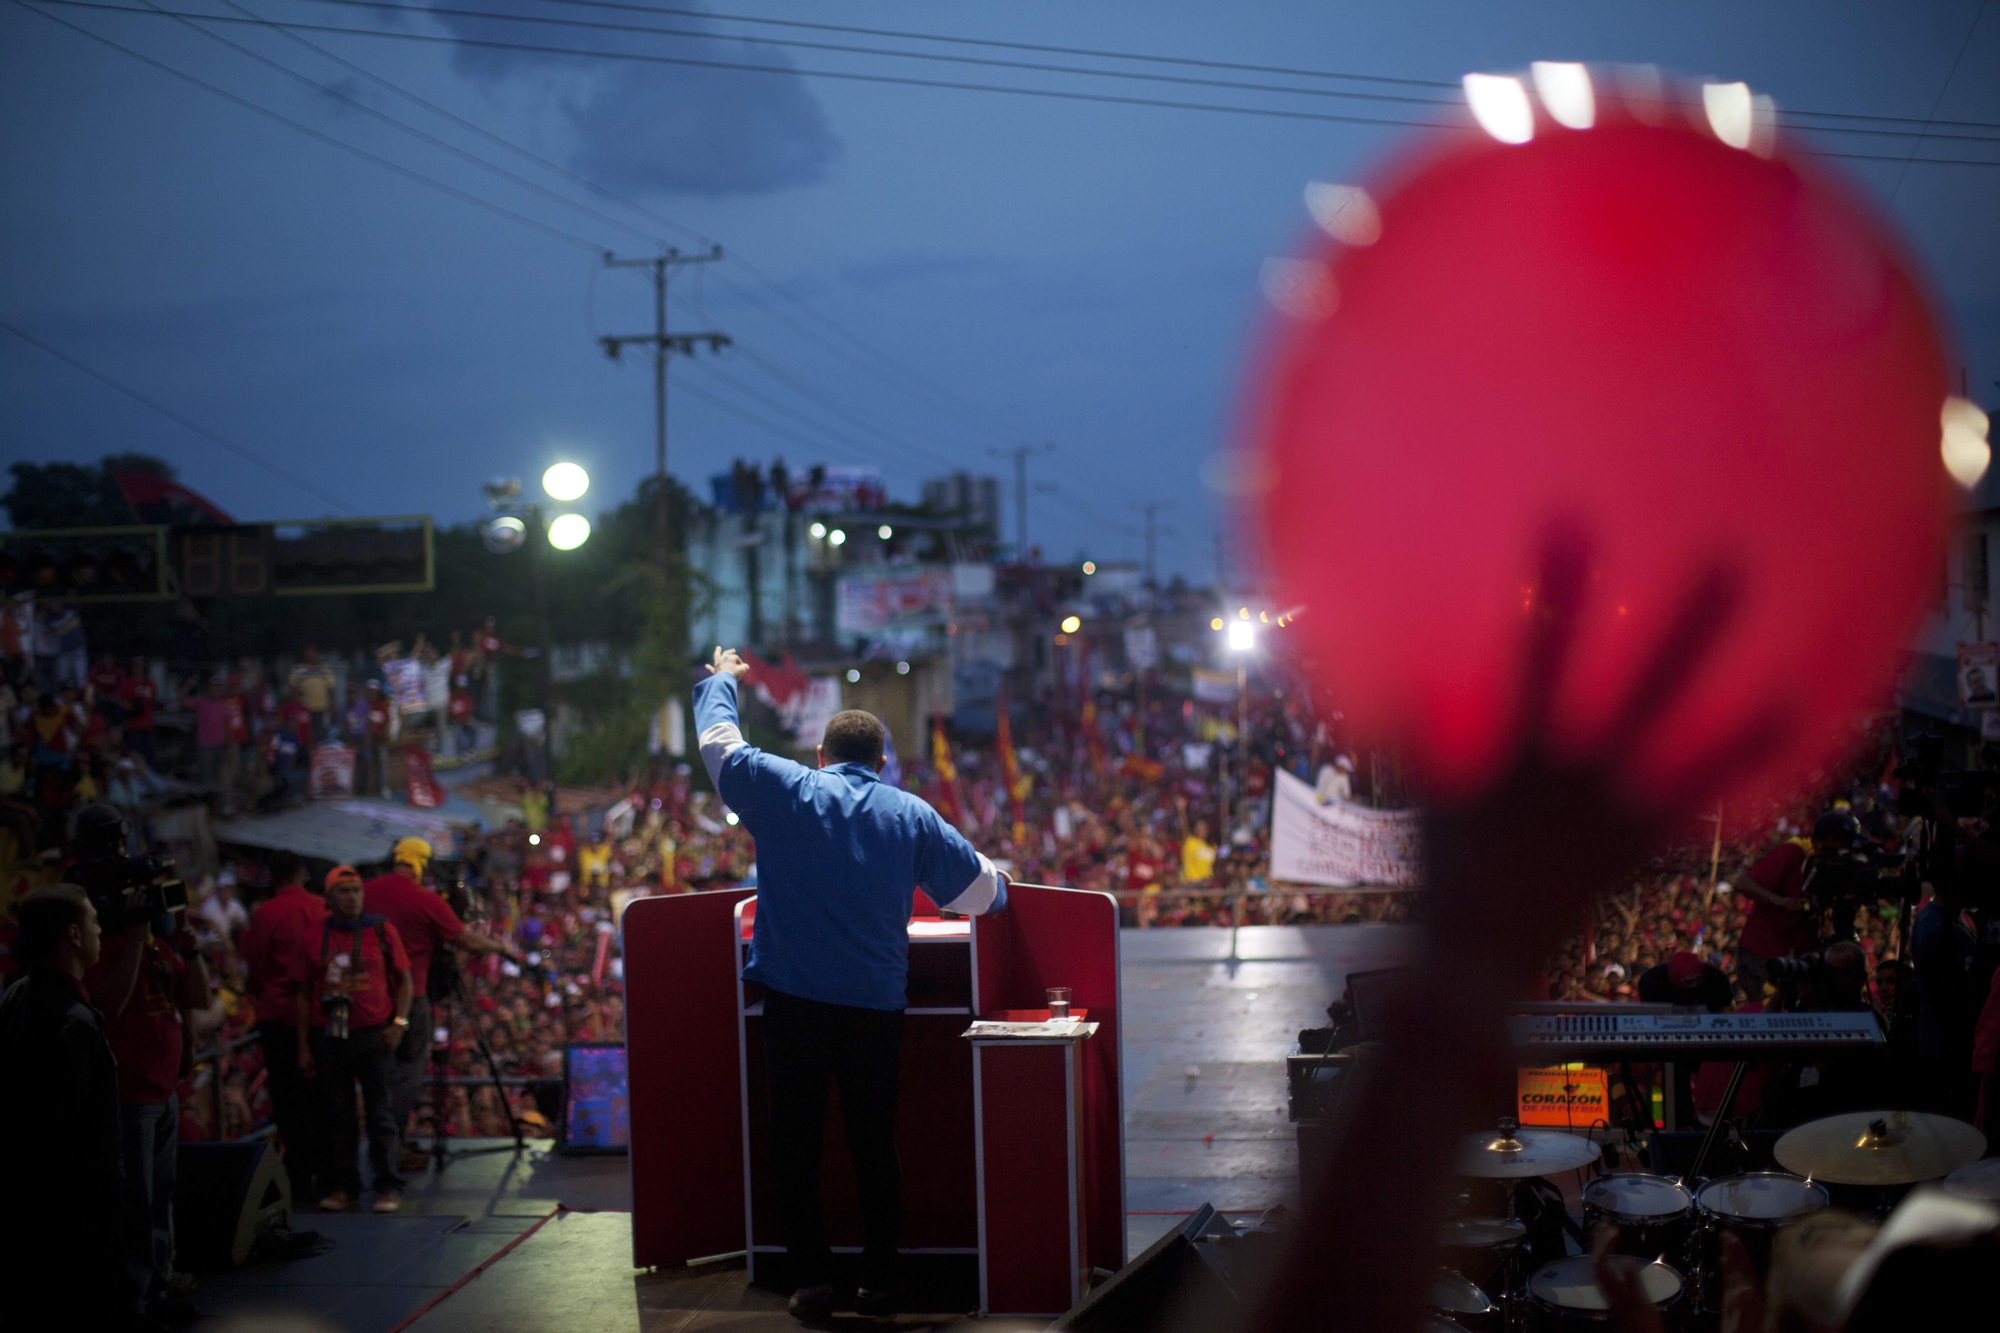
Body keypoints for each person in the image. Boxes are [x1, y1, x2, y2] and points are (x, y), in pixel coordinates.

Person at [694, 646, 1010, 1319]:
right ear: (883, 763)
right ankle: (881, 1284)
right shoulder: (910, 812)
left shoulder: (784, 788)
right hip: (875, 1008)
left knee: (797, 1144)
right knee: (874, 1144)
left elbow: (719, 743)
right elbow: (982, 895)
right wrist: (1003, 879)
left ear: (820, 754)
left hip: (794, 1003)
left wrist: (722, 679)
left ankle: (812, 1283)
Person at [0, 882, 130, 1329]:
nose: (100, 931)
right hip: (75, 1222)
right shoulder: (72, 1022)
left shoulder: (16, 996)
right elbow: (64, 1128)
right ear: (73, 934)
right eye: (94, 922)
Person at [364, 836, 520, 1175]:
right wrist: (499, 947)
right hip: (412, 1000)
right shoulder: (425, 899)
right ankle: (392, 1154)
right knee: (406, 1077)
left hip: (368, 1002)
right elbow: (466, 939)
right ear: (420, 863)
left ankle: (379, 1151)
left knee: (375, 1078)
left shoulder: (363, 892)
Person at [91, 884, 210, 1325]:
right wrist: (137, 940)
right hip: (130, 1094)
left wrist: (191, 951)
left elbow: (198, 998)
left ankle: (158, 1287)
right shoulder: (110, 950)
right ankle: (133, 1299)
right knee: (135, 1201)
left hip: (164, 1092)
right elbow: (110, 1005)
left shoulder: (160, 947)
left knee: (160, 1197)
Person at [299, 865, 413, 1213]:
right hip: (330, 1036)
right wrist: (303, 1046)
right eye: (344, 891)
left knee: (381, 1114)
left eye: (357, 890)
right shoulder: (313, 934)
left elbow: (405, 980)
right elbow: (304, 992)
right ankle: (343, 1187)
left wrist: (399, 1023)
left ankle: (387, 1186)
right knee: (339, 1115)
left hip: (374, 1035)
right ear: (329, 898)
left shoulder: (381, 930)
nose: (352, 897)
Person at [240, 851, 327, 1203]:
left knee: (289, 1100)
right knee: (321, 1096)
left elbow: (255, 970)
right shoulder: (322, 908)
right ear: (303, 873)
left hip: (278, 1017)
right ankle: (327, 1174)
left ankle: (299, 1178)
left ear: (271, 878)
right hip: (319, 1016)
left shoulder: (265, 914)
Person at [1735, 820, 1824, 1002]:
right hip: (1762, 955)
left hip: (1798, 958)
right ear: (1817, 840)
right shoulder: (1793, 853)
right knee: (1767, 1017)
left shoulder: (1828, 868)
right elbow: (1742, 883)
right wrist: (1781, 901)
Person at [1636, 948, 1733, 1012]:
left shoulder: (1717, 979)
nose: (1694, 985)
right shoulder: (1651, 983)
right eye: (1689, 982)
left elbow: (1726, 1009)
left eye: (1697, 979)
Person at [287, 645, 337, 745]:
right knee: (307, 734)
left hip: (322, 708)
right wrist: (295, 707)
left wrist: (333, 706)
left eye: (312, 652)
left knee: (322, 733)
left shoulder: (325, 669)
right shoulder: (298, 670)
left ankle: (320, 756)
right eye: (308, 653)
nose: (310, 655)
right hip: (305, 708)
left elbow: (331, 690)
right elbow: (293, 690)